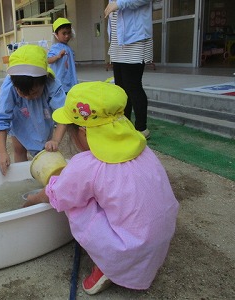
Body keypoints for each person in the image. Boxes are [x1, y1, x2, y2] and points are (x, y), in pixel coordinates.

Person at [24, 81, 179, 295]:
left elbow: (59, 194)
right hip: (159, 240)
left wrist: (33, 198)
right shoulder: (142, 148)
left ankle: (107, 266)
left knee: (74, 203)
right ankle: (126, 260)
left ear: (83, 132)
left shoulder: (87, 165)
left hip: (128, 250)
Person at [0, 44, 66, 175]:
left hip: (43, 118)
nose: (27, 97)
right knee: (19, 149)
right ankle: (23, 177)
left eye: (34, 93)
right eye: (22, 93)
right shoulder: (9, 88)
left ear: (44, 80)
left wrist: (55, 140)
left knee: (46, 150)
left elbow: (63, 114)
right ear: (14, 84)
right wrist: (2, 153)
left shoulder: (51, 84)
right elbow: (1, 119)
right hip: (20, 118)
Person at [105, 0, 153, 139]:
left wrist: (119, 3)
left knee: (133, 86)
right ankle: (125, 124)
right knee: (121, 87)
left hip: (135, 38)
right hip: (119, 41)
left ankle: (141, 128)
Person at [47, 17, 78, 94]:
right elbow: (48, 60)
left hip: (70, 83)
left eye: (68, 33)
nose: (67, 36)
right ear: (56, 34)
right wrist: (57, 56)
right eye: (64, 33)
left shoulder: (68, 48)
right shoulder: (55, 47)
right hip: (60, 84)